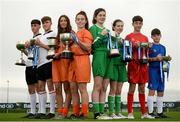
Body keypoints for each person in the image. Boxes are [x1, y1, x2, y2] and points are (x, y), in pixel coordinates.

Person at [125, 15, 154, 119]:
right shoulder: (128, 36)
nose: (138, 25)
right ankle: (129, 113)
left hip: (143, 65)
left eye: (139, 23)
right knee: (132, 88)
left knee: (142, 89)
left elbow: (148, 52)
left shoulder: (145, 37)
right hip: (133, 64)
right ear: (133, 24)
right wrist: (134, 45)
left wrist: (149, 47)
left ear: (142, 24)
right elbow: (126, 50)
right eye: (136, 23)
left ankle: (144, 113)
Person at [68, 11, 93, 120]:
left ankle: (84, 113)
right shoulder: (73, 33)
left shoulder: (86, 32)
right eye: (78, 19)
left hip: (82, 59)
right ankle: (75, 112)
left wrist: (76, 40)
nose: (80, 21)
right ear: (75, 21)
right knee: (73, 88)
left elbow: (87, 47)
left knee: (82, 88)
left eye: (82, 19)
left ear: (86, 21)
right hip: (72, 60)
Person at [89, 8, 111, 120]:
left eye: (104, 15)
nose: (102, 17)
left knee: (104, 87)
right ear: (95, 17)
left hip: (108, 57)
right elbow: (92, 47)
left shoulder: (107, 30)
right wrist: (101, 35)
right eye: (100, 15)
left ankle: (102, 112)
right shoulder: (92, 28)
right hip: (99, 56)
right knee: (97, 85)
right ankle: (96, 113)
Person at [147, 28, 171, 118]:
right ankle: (150, 112)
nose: (156, 37)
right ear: (152, 37)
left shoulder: (163, 47)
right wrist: (155, 59)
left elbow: (163, 59)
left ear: (160, 36)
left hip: (161, 71)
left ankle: (160, 112)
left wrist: (167, 58)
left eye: (158, 35)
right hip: (152, 70)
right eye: (154, 35)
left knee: (161, 91)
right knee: (152, 90)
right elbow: (146, 59)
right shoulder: (150, 46)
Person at [35, 16, 56, 119]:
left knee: (50, 86)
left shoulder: (54, 33)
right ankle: (42, 111)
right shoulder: (41, 36)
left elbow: (53, 49)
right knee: (40, 87)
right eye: (43, 23)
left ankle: (52, 111)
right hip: (40, 64)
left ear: (51, 23)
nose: (45, 25)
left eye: (47, 22)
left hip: (49, 62)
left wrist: (41, 44)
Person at [106, 19, 127, 119]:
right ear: (113, 27)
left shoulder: (123, 40)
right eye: (118, 26)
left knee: (119, 90)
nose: (120, 28)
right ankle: (111, 112)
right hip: (113, 64)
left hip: (122, 65)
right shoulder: (110, 37)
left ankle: (118, 112)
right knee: (113, 89)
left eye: (121, 26)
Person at [53, 15, 72, 119]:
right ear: (59, 23)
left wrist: (59, 54)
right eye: (61, 21)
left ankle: (65, 112)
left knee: (66, 88)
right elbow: (53, 49)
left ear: (68, 22)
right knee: (57, 88)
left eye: (65, 20)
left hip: (66, 62)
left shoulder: (71, 34)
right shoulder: (56, 36)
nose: (63, 22)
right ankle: (59, 112)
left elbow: (72, 48)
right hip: (56, 63)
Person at [23, 19, 41, 119]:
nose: (33, 27)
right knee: (30, 89)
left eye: (35, 25)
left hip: (36, 65)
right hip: (28, 65)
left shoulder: (41, 37)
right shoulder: (30, 39)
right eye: (32, 26)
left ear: (39, 26)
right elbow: (29, 54)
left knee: (39, 88)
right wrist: (23, 49)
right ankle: (32, 111)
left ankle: (40, 111)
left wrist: (32, 43)